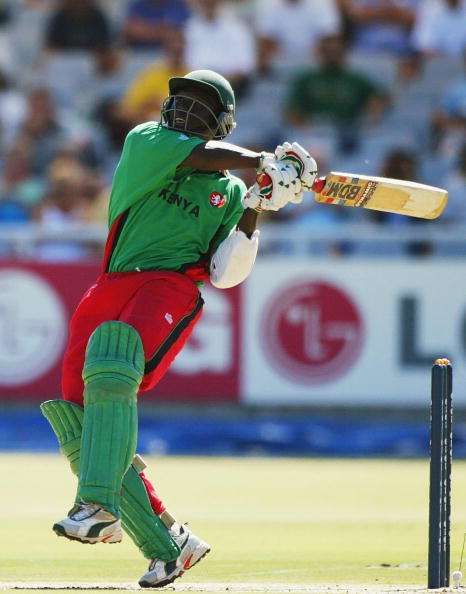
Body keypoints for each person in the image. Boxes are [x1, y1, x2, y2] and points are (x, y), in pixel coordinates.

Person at [40, 69, 317, 588]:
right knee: (79, 421)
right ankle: (172, 545)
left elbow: (226, 273)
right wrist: (266, 164)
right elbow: (203, 156)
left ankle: (97, 506)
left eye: (203, 106)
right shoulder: (145, 141)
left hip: (170, 288)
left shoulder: (230, 191)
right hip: (113, 282)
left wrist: (256, 204)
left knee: (112, 357)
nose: (188, 110)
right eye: (183, 100)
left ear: (223, 122)